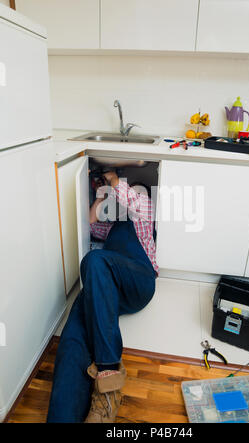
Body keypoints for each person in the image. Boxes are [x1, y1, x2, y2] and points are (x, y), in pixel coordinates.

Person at [47, 171, 158, 423]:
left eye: (137, 190)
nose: (132, 194)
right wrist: (99, 197)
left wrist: (114, 178)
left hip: (138, 282)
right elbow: (89, 223)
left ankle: (109, 372)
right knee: (74, 332)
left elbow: (134, 199)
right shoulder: (112, 226)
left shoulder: (144, 215)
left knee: (95, 260)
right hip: (108, 290)